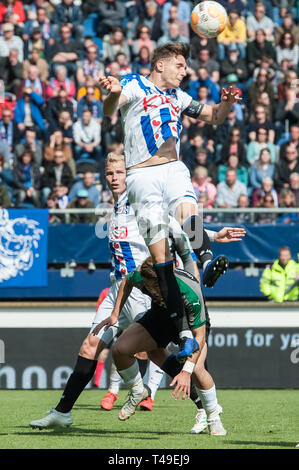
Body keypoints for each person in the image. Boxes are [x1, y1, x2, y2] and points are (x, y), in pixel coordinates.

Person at [29, 152, 245, 429]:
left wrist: (212, 236)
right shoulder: (115, 205)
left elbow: (179, 223)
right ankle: (62, 411)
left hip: (145, 287)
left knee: (156, 351)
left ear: (128, 174)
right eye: (110, 174)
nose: (114, 178)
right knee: (90, 345)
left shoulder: (142, 199)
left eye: (119, 173)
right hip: (118, 287)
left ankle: (202, 406)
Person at [99, 42, 242, 360]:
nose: (185, 70)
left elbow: (215, 117)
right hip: (141, 177)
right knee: (161, 261)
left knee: (188, 210)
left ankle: (206, 263)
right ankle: (183, 334)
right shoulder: (134, 83)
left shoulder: (181, 98)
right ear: (160, 65)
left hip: (172, 167)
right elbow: (110, 109)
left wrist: (227, 103)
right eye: (180, 65)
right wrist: (110, 92)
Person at [94, 251, 226, 434]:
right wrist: (115, 313)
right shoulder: (143, 275)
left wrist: (186, 371)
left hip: (190, 325)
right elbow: (127, 281)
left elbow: (200, 336)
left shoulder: (188, 290)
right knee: (120, 349)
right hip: (160, 319)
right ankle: (138, 390)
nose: (154, 292)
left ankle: (212, 415)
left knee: (196, 368)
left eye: (157, 288)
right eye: (151, 288)